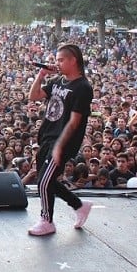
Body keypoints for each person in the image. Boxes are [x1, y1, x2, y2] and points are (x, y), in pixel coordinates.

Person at [27, 44, 93, 236]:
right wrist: (41, 76)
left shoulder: (83, 87)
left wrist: (59, 146)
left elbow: (74, 122)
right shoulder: (57, 81)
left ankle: (47, 220)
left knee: (44, 181)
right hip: (47, 136)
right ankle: (79, 205)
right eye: (56, 60)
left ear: (73, 61)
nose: (56, 63)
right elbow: (34, 96)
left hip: (64, 141)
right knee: (45, 180)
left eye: (60, 60)